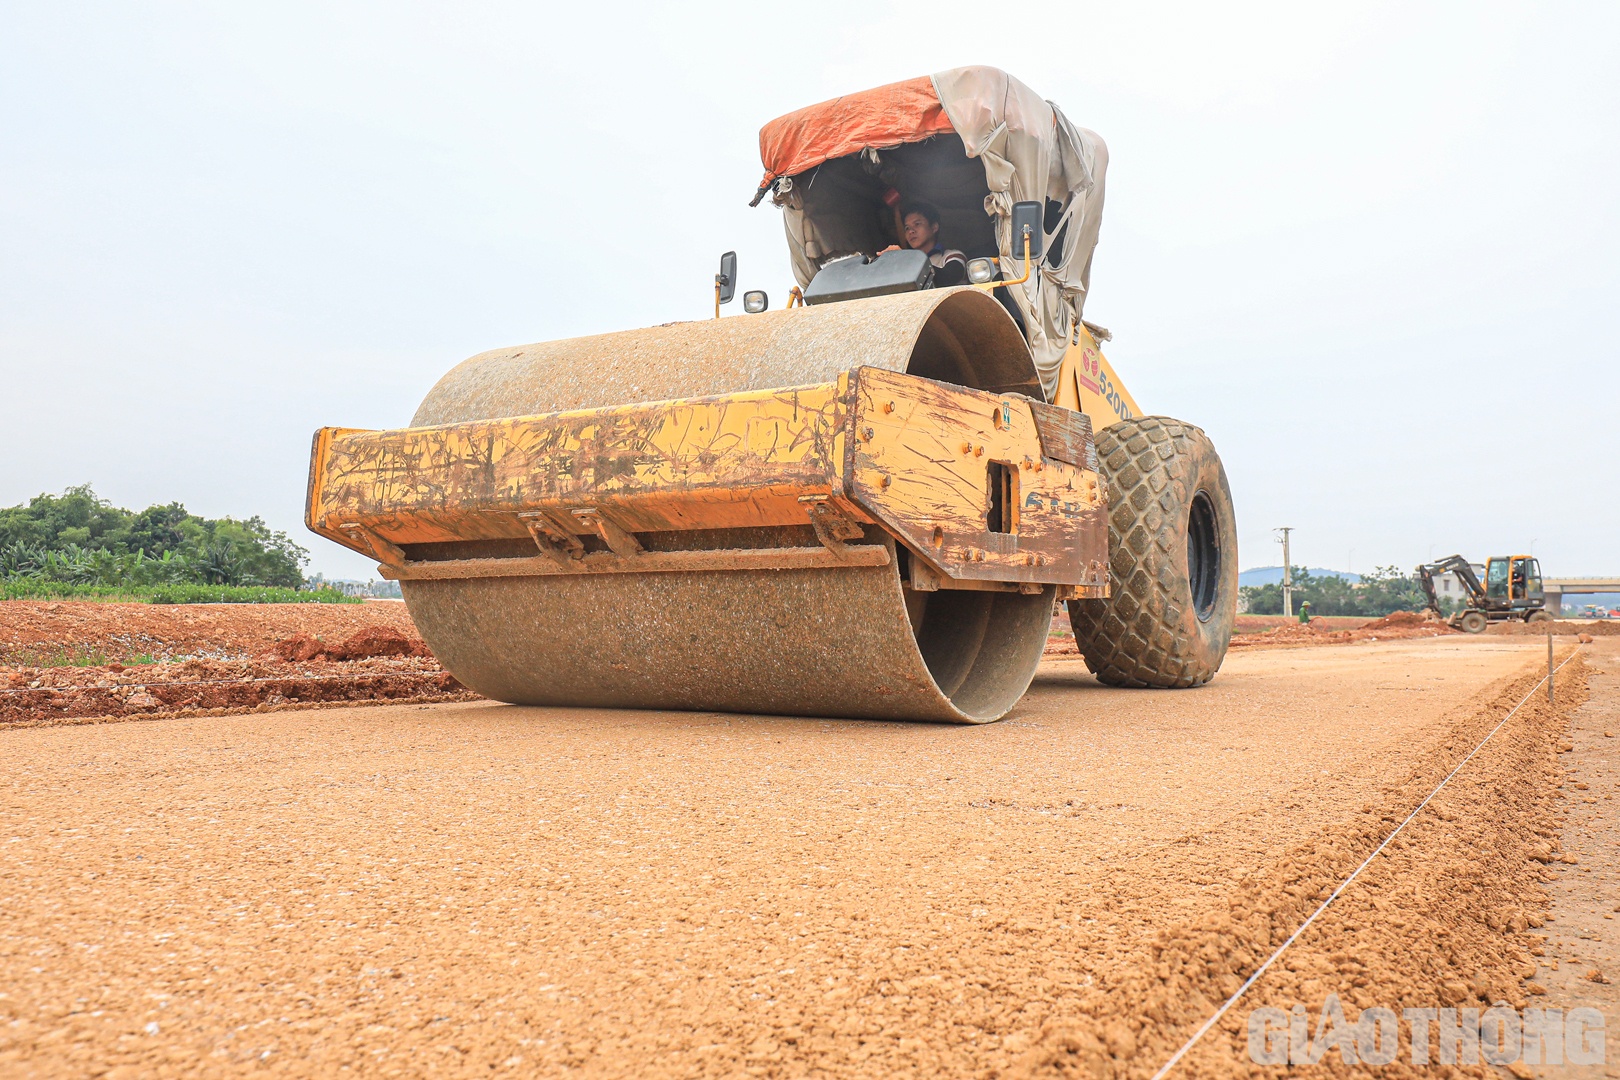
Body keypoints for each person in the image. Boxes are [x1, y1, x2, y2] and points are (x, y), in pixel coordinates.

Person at [897, 202, 967, 286]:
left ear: (934, 227)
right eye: (907, 228)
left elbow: (948, 277)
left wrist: (904, 261)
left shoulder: (952, 255)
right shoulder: (907, 264)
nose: (911, 231)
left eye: (917, 224)